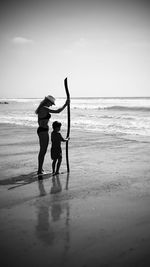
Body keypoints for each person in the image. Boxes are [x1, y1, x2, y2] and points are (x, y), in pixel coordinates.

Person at [35, 95, 68, 175]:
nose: (52, 105)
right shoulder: (44, 108)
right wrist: (65, 104)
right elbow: (57, 111)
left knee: (43, 150)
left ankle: (40, 168)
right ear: (47, 101)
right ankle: (39, 170)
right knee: (43, 151)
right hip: (43, 131)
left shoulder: (42, 107)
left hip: (43, 131)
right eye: (52, 103)